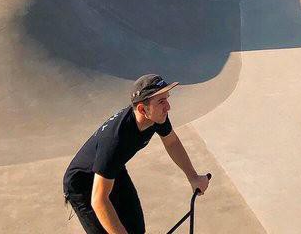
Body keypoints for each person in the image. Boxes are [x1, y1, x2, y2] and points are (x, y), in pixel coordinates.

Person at [62, 75, 210, 234]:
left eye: (166, 99)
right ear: (142, 109)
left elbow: (171, 142)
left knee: (135, 229)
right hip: (82, 184)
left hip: (113, 171)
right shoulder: (115, 141)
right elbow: (99, 200)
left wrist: (192, 176)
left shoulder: (157, 117)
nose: (168, 107)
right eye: (161, 102)